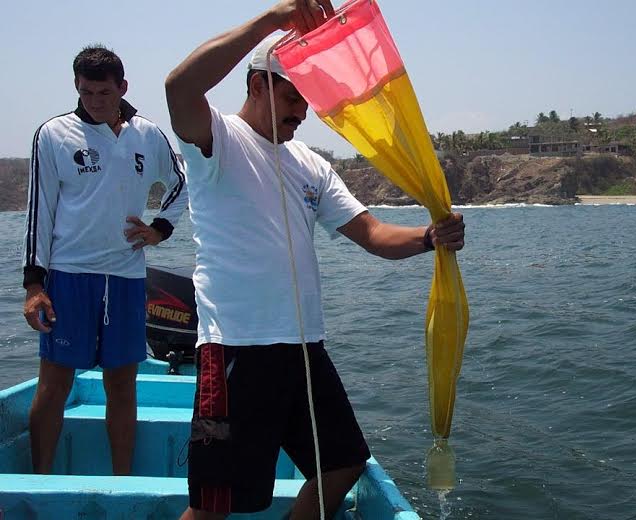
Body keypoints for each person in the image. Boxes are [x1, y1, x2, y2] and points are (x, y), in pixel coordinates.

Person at [165, 1, 465, 518]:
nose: (302, 112)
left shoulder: (309, 164)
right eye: (292, 97)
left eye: (308, 102)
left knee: (343, 464)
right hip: (235, 349)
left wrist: (429, 237)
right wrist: (272, 20)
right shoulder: (217, 143)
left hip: (303, 350)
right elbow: (179, 88)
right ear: (257, 84)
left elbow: (371, 233)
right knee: (214, 504)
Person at [22, 44, 188, 476]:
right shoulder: (54, 134)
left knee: (122, 384)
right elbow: (39, 210)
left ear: (123, 88)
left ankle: (122, 481)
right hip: (69, 275)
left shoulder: (148, 135)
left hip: (127, 277)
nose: (94, 102)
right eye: (86, 92)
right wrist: (34, 285)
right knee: (55, 382)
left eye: (103, 93)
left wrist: (160, 229)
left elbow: (181, 183)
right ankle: (39, 479)